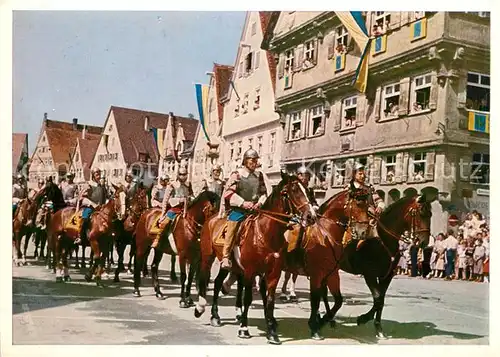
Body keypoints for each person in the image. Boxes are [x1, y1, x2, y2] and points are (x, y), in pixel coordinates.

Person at [220, 148, 268, 269]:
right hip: (240, 210)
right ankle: (225, 256)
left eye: (256, 160)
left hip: (255, 210)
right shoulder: (237, 174)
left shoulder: (259, 175)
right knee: (233, 226)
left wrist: (260, 203)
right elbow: (228, 193)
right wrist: (243, 203)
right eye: (252, 160)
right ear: (245, 161)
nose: (254, 162)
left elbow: (264, 193)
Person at [347, 163, 385, 249]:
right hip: (354, 220)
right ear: (354, 174)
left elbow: (379, 201)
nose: (362, 176)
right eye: (360, 174)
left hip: (370, 219)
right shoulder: (349, 188)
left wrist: (379, 206)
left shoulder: (369, 188)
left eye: (364, 174)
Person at [155, 166, 194, 249]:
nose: (183, 177)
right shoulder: (172, 185)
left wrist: (190, 199)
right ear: (178, 175)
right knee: (165, 222)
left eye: (184, 174)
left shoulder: (188, 184)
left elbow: (192, 195)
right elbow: (166, 199)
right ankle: (158, 239)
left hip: (187, 209)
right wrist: (163, 213)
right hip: (175, 209)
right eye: (181, 174)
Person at [78, 168, 108, 244]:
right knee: (84, 218)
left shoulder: (102, 187)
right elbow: (83, 197)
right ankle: (79, 236)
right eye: (96, 173)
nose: (98, 174)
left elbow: (106, 198)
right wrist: (93, 204)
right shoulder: (89, 185)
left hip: (100, 209)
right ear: (93, 175)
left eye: (99, 172)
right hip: (89, 207)